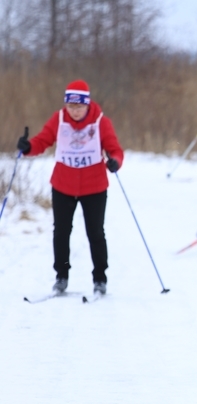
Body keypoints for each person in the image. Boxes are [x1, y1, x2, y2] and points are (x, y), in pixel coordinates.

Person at [17, 80, 124, 295]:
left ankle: (100, 278)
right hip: (63, 185)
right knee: (61, 232)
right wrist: (28, 148)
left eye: (79, 107)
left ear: (87, 104)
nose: (74, 111)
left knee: (95, 232)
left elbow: (115, 149)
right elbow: (42, 140)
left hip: (94, 187)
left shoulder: (101, 122)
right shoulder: (58, 120)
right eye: (71, 106)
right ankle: (61, 277)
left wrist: (114, 162)